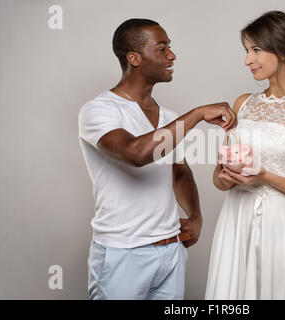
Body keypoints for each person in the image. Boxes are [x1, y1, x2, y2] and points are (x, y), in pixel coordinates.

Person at [78, 18, 237, 300]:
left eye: (170, 48)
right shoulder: (98, 110)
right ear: (134, 58)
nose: (172, 56)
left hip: (171, 251)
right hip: (122, 254)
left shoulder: (169, 118)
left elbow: (179, 172)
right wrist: (198, 114)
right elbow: (135, 154)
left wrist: (196, 216)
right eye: (162, 49)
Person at [205, 11, 285, 299]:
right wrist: (226, 178)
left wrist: (264, 176)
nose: (247, 60)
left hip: (277, 223)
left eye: (256, 50)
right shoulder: (243, 103)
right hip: (235, 218)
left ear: (283, 52)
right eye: (246, 50)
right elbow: (218, 176)